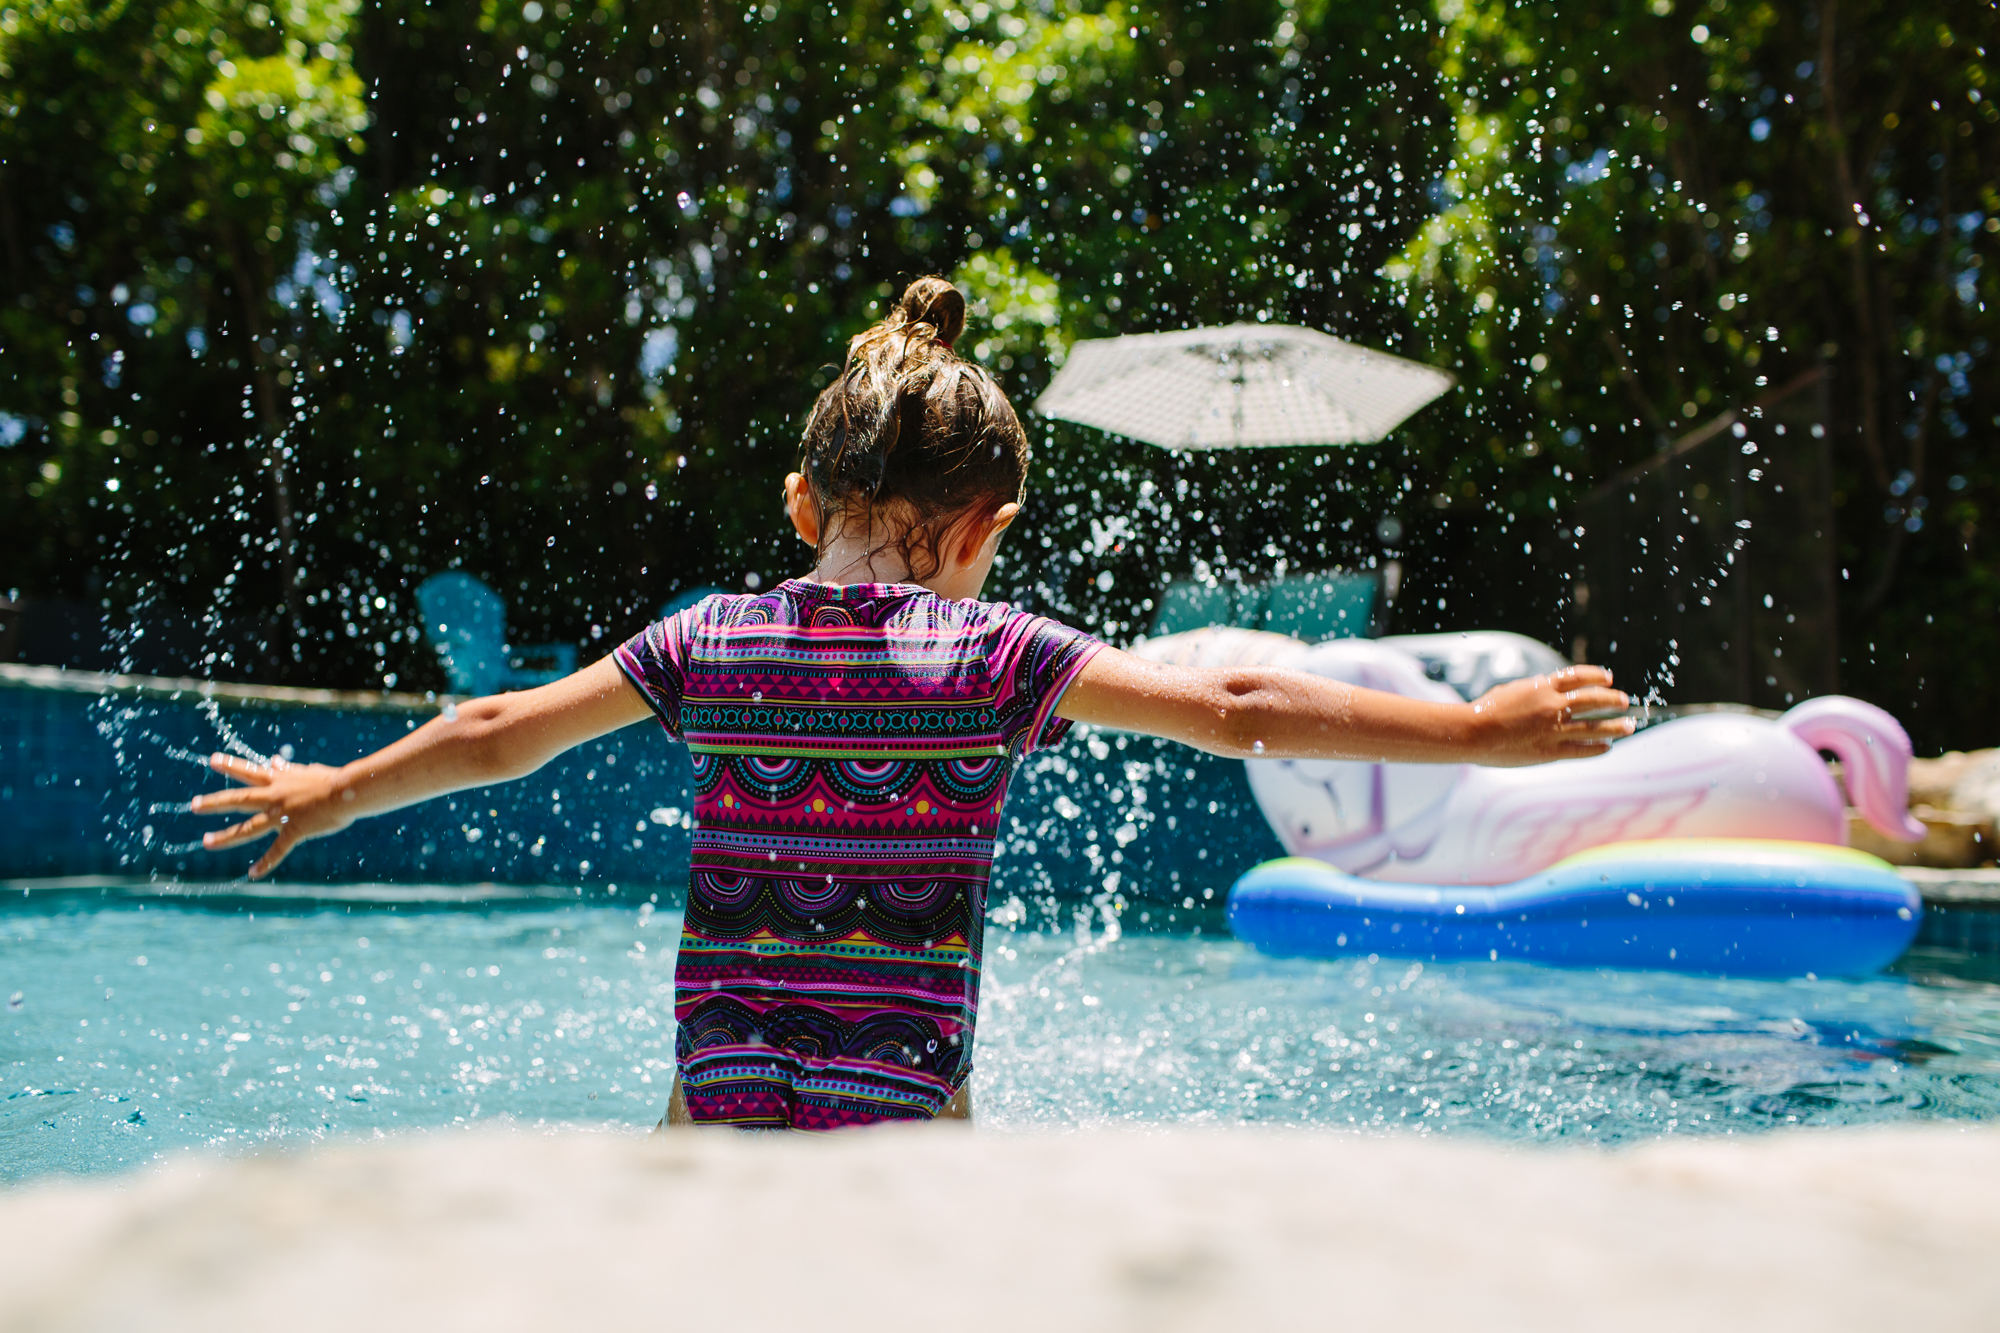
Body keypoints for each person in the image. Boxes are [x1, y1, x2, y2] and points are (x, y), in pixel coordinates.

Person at [192, 276, 1633, 1130]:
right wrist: (1475, 732)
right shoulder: (1000, 656)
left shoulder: (712, 636)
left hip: (720, 1091)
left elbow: (498, 731)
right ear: (984, 526)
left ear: (803, 497)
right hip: (906, 1102)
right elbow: (1241, 697)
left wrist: (333, 792)